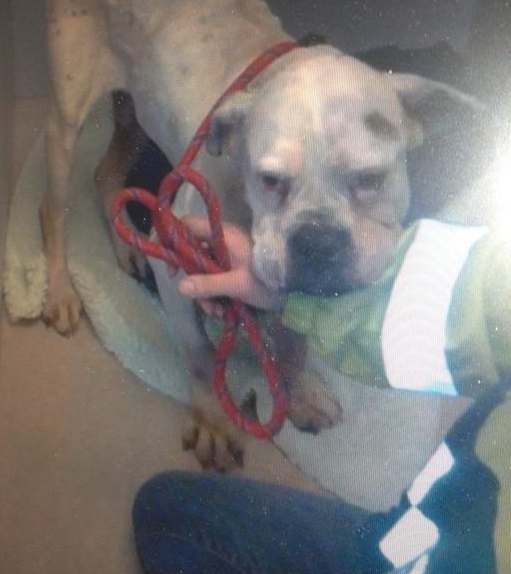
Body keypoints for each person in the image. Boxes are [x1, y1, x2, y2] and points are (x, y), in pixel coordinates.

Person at [132, 219, 511, 574]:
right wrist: (291, 292)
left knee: (169, 522)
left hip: (425, 550)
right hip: (416, 536)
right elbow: (470, 306)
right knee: (166, 514)